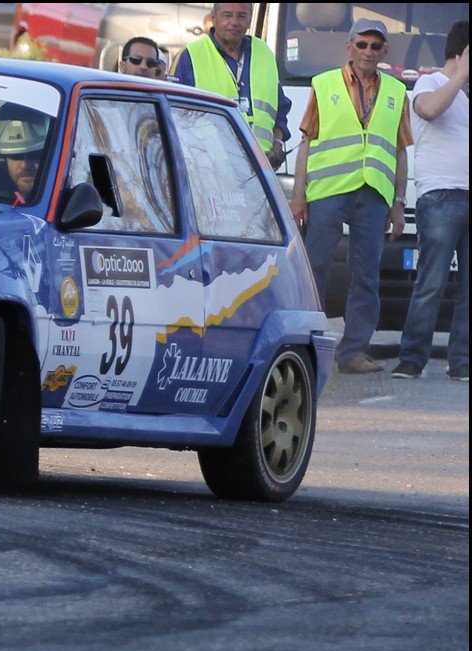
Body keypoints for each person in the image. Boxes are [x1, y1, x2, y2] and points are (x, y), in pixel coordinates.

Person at [292, 19, 414, 375]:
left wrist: (399, 203)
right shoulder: (323, 84)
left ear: (385, 51)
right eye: (362, 44)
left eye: (375, 46)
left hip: (374, 193)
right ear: (349, 47)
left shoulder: (396, 92)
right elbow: (307, 143)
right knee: (315, 269)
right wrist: (299, 197)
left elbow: (400, 151)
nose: (368, 52)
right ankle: (305, 346)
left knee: (366, 275)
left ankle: (353, 352)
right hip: (328, 191)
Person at [393, 20, 469, 381]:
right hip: (440, 196)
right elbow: (428, 110)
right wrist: (461, 74)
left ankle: (462, 361)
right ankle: (412, 359)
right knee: (431, 283)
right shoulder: (431, 82)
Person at [174, 3, 290, 166]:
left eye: (242, 16)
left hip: (261, 167)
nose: (234, 22)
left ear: (250, 19)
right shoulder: (190, 56)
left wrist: (277, 146)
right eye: (227, 15)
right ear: (214, 18)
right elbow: (175, 117)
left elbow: (280, 108)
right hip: (210, 168)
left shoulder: (264, 52)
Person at [0, 103, 50, 204]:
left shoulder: (69, 205)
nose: (25, 166)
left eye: (34, 156)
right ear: (2, 161)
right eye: (16, 156)